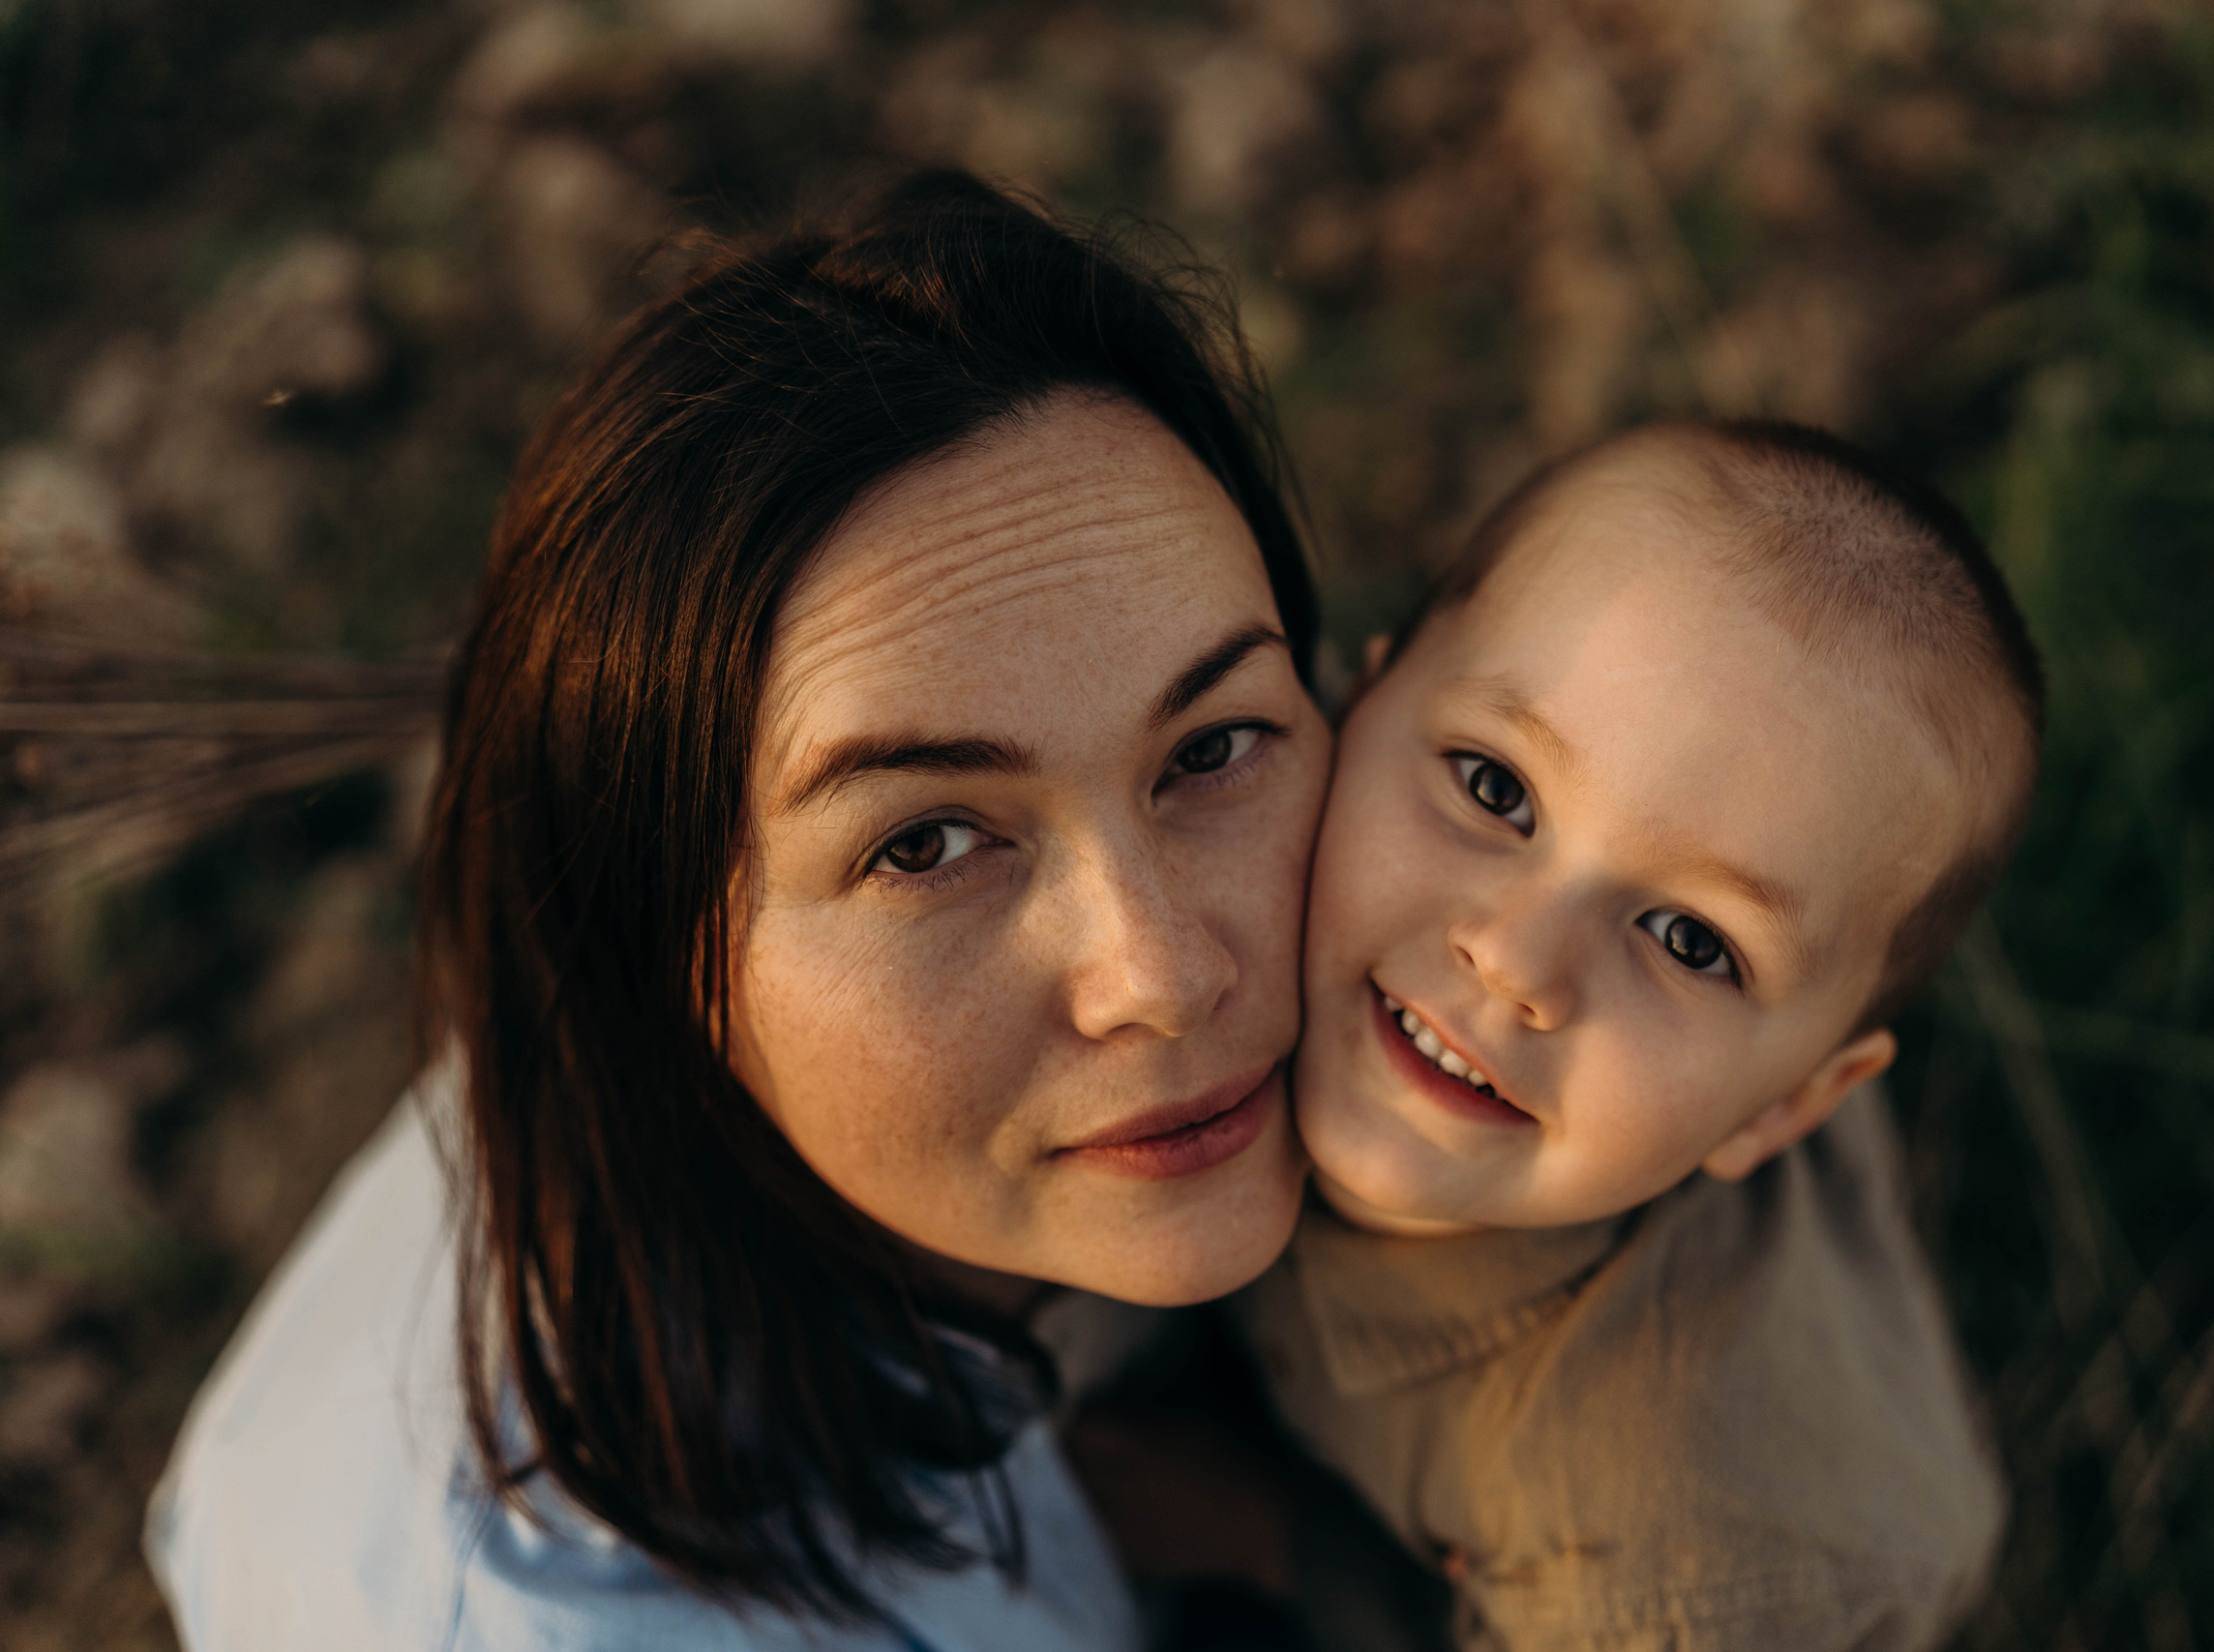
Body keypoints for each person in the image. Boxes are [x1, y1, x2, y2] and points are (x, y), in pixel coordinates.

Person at [146, 172, 1337, 1651]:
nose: (1159, 970)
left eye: (1211, 746)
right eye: (925, 842)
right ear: (654, 954)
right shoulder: (549, 1621)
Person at [1240, 421, 2034, 1650]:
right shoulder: (1228, 816)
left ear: (1788, 1107)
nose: (1517, 961)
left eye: (1689, 941)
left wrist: (1259, 1540)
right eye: (1494, 788)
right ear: (1354, 699)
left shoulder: (1665, 1558)